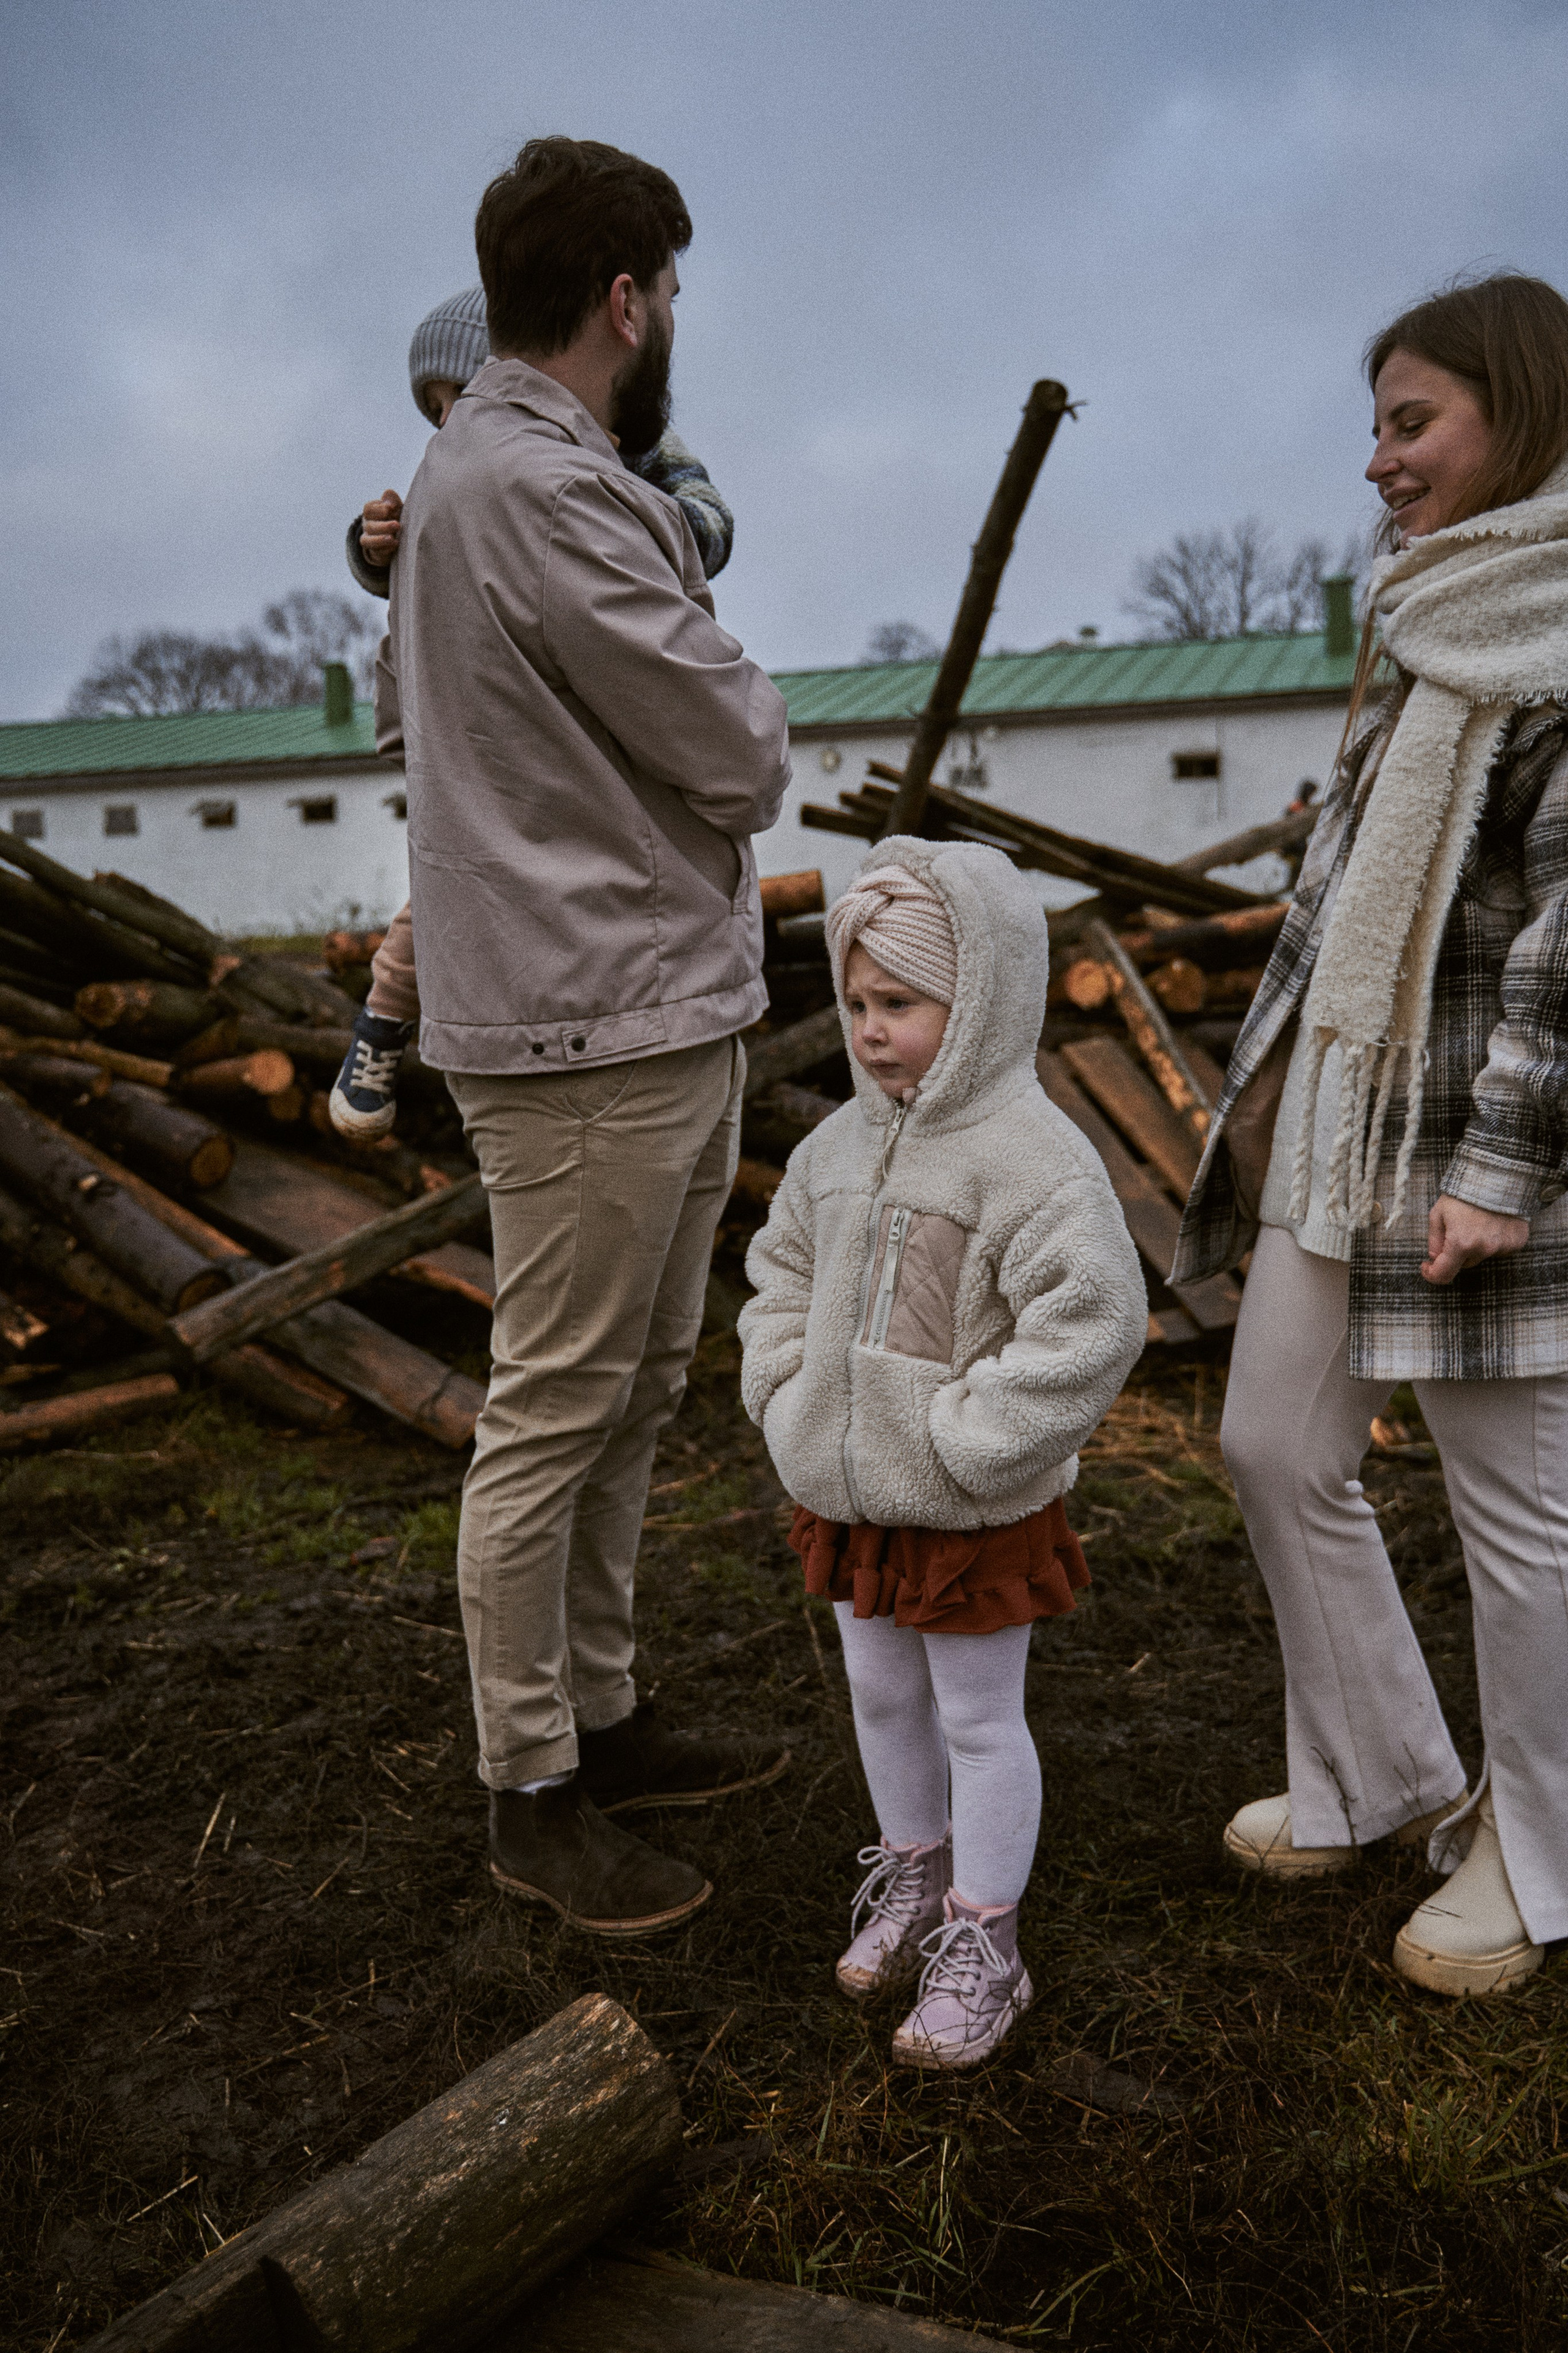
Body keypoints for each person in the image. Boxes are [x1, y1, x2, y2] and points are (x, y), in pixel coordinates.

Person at [374, 136, 793, 1935]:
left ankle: (603, 1717)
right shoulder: (540, 487)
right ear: (625, 297)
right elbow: (740, 744)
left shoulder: (490, 480)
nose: (673, 318)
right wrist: (736, 696)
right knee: (554, 1411)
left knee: (629, 1388)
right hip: (585, 1021)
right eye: (671, 288)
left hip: (628, 995)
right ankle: (532, 1785)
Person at [1171, 272, 1568, 1996]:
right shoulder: (1425, 618)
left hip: (1494, 1158)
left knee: (1521, 1522)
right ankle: (1378, 1771)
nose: (1380, 463)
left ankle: (1539, 1854)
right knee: (1273, 1443)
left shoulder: (1554, 632)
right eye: (1380, 426)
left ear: (1521, 415)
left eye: (1413, 423)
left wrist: (1502, 1171)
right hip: (1354, 1136)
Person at [739, 842, 1146, 2066]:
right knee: (876, 1690)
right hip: (850, 1489)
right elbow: (774, 1276)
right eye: (856, 1004)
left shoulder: (1034, 1162)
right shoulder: (829, 1154)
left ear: (978, 1002)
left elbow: (1091, 1323)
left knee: (978, 1719)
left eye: (899, 1006)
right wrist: (784, 1390)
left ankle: (988, 1941)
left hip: (972, 1505)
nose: (869, 1032)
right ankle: (915, 1877)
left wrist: (969, 1441)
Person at [330, 287, 737, 1139]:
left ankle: (397, 1013)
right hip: (493, 714)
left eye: (460, 398)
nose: (450, 426)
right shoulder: (463, 480)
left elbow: (710, 526)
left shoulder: (627, 449)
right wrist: (377, 553)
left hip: (595, 702)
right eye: (435, 413)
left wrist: (614, 522)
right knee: (452, 872)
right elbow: (430, 577)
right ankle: (385, 1017)